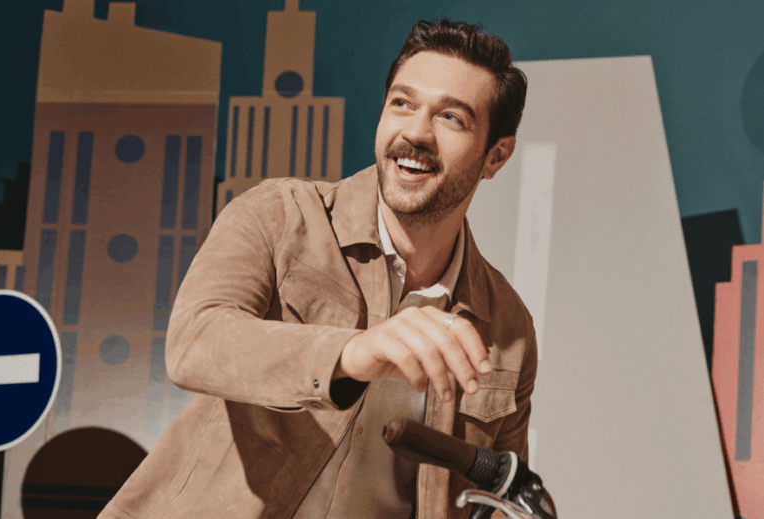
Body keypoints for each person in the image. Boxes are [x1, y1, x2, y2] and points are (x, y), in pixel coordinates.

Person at [100, 18, 536, 519]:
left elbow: (501, 496)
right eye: (402, 103)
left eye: (451, 118)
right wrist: (352, 353)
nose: (415, 132)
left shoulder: (509, 329)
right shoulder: (279, 214)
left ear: (496, 156)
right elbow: (195, 342)